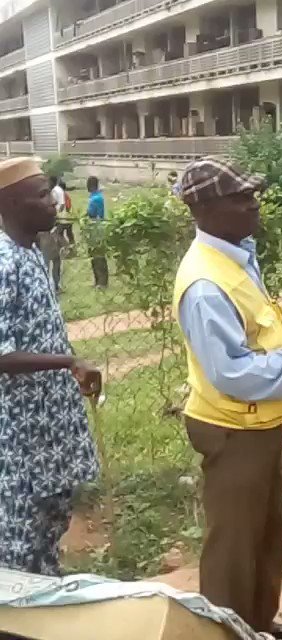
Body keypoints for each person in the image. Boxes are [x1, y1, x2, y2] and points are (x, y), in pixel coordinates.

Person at [173, 157, 282, 639]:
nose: (254, 205)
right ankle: (224, 633)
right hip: (234, 429)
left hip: (259, 427)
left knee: (266, 535)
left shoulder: (235, 257)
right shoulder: (206, 285)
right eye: (241, 197)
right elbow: (232, 373)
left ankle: (257, 627)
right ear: (205, 208)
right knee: (233, 548)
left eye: (253, 194)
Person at [0, 157, 101, 576]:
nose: (54, 203)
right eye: (41, 196)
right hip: (20, 433)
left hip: (47, 428)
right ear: (8, 204)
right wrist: (68, 361)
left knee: (48, 528)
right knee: (17, 542)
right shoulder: (3, 263)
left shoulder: (31, 252)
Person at [37, 176, 67, 294]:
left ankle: (55, 286)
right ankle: (48, 287)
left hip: (53, 231)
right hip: (46, 234)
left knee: (55, 260)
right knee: (47, 261)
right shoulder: (44, 199)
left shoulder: (52, 195)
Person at [86, 175, 109, 289]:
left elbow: (91, 213)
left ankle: (102, 282)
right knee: (94, 256)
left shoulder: (96, 198)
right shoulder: (94, 196)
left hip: (97, 228)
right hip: (93, 228)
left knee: (98, 255)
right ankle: (97, 281)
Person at [58, 178, 75, 247]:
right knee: (69, 234)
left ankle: (67, 247)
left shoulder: (63, 195)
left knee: (59, 234)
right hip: (68, 218)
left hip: (64, 218)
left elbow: (67, 206)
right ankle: (72, 247)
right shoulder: (65, 195)